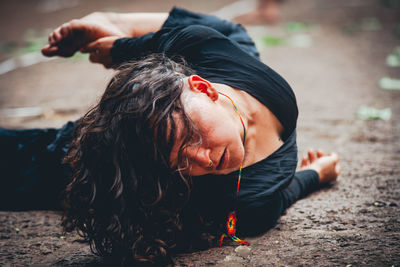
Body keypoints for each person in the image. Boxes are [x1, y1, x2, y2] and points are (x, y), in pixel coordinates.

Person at [1, 7, 341, 266]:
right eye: (178, 160)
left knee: (220, 38)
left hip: (153, 98)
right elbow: (281, 197)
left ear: (203, 86)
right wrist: (314, 175)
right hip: (67, 157)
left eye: (191, 135)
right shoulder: (251, 200)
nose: (201, 159)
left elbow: (208, 35)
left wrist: (118, 39)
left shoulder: (206, 48)